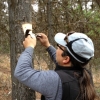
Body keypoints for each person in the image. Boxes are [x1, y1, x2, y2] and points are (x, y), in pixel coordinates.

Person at [14, 31, 98, 100]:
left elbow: (21, 72)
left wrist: (29, 47)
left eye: (59, 47)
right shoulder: (86, 75)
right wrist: (48, 45)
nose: (57, 48)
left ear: (66, 59)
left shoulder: (55, 80)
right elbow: (61, 61)